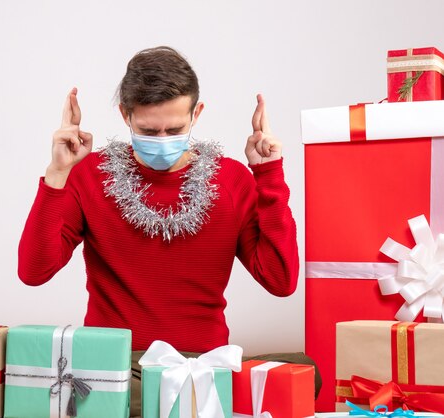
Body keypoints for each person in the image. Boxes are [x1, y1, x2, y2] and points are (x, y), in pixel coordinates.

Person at [18, 46, 318, 416]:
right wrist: (57, 174)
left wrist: (269, 175)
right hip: (118, 365)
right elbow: (34, 271)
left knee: (305, 374)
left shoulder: (232, 179)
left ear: (197, 113)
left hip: (203, 363)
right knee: (133, 399)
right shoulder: (90, 174)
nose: (162, 139)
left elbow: (280, 280)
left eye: (175, 129)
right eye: (148, 129)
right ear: (125, 115)